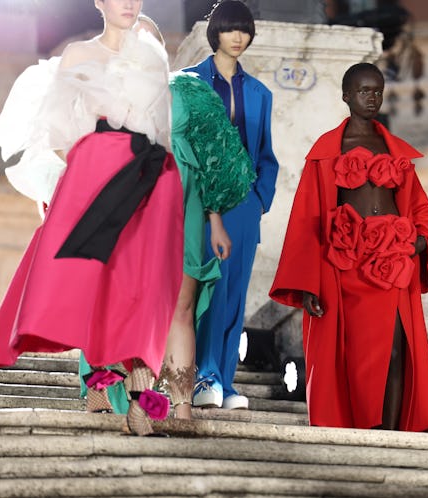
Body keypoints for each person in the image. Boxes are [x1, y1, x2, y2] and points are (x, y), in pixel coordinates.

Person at [0, 0, 184, 436]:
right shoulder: (78, 56)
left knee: (144, 289)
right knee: (97, 283)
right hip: (97, 169)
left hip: (153, 176)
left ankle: (139, 399)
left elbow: (161, 127)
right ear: (99, 2)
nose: (129, 4)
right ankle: (110, 389)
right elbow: (60, 128)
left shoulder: (151, 56)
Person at [75, 14, 256, 420]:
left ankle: (181, 405)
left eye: (148, 43)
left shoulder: (190, 91)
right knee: (115, 295)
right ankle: (106, 393)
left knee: (181, 303)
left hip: (184, 200)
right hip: (125, 201)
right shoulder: (105, 93)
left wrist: (215, 218)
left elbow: (218, 158)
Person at [269, 63, 428, 432]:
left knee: (398, 349)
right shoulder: (328, 150)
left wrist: (422, 239)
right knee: (357, 355)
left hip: (394, 258)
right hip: (348, 262)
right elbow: (307, 219)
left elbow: (419, 206)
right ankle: (367, 430)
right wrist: (308, 283)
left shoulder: (394, 149)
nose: (372, 98)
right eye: (364, 91)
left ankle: (394, 435)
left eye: (378, 91)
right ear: (346, 95)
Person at [183, 0, 279, 410]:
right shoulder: (189, 82)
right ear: (215, 33)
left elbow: (266, 156)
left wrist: (258, 201)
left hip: (244, 205)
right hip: (201, 201)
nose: (238, 37)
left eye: (244, 29)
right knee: (208, 288)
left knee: (236, 293)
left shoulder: (260, 93)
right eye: (230, 29)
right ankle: (201, 375)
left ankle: (223, 379)